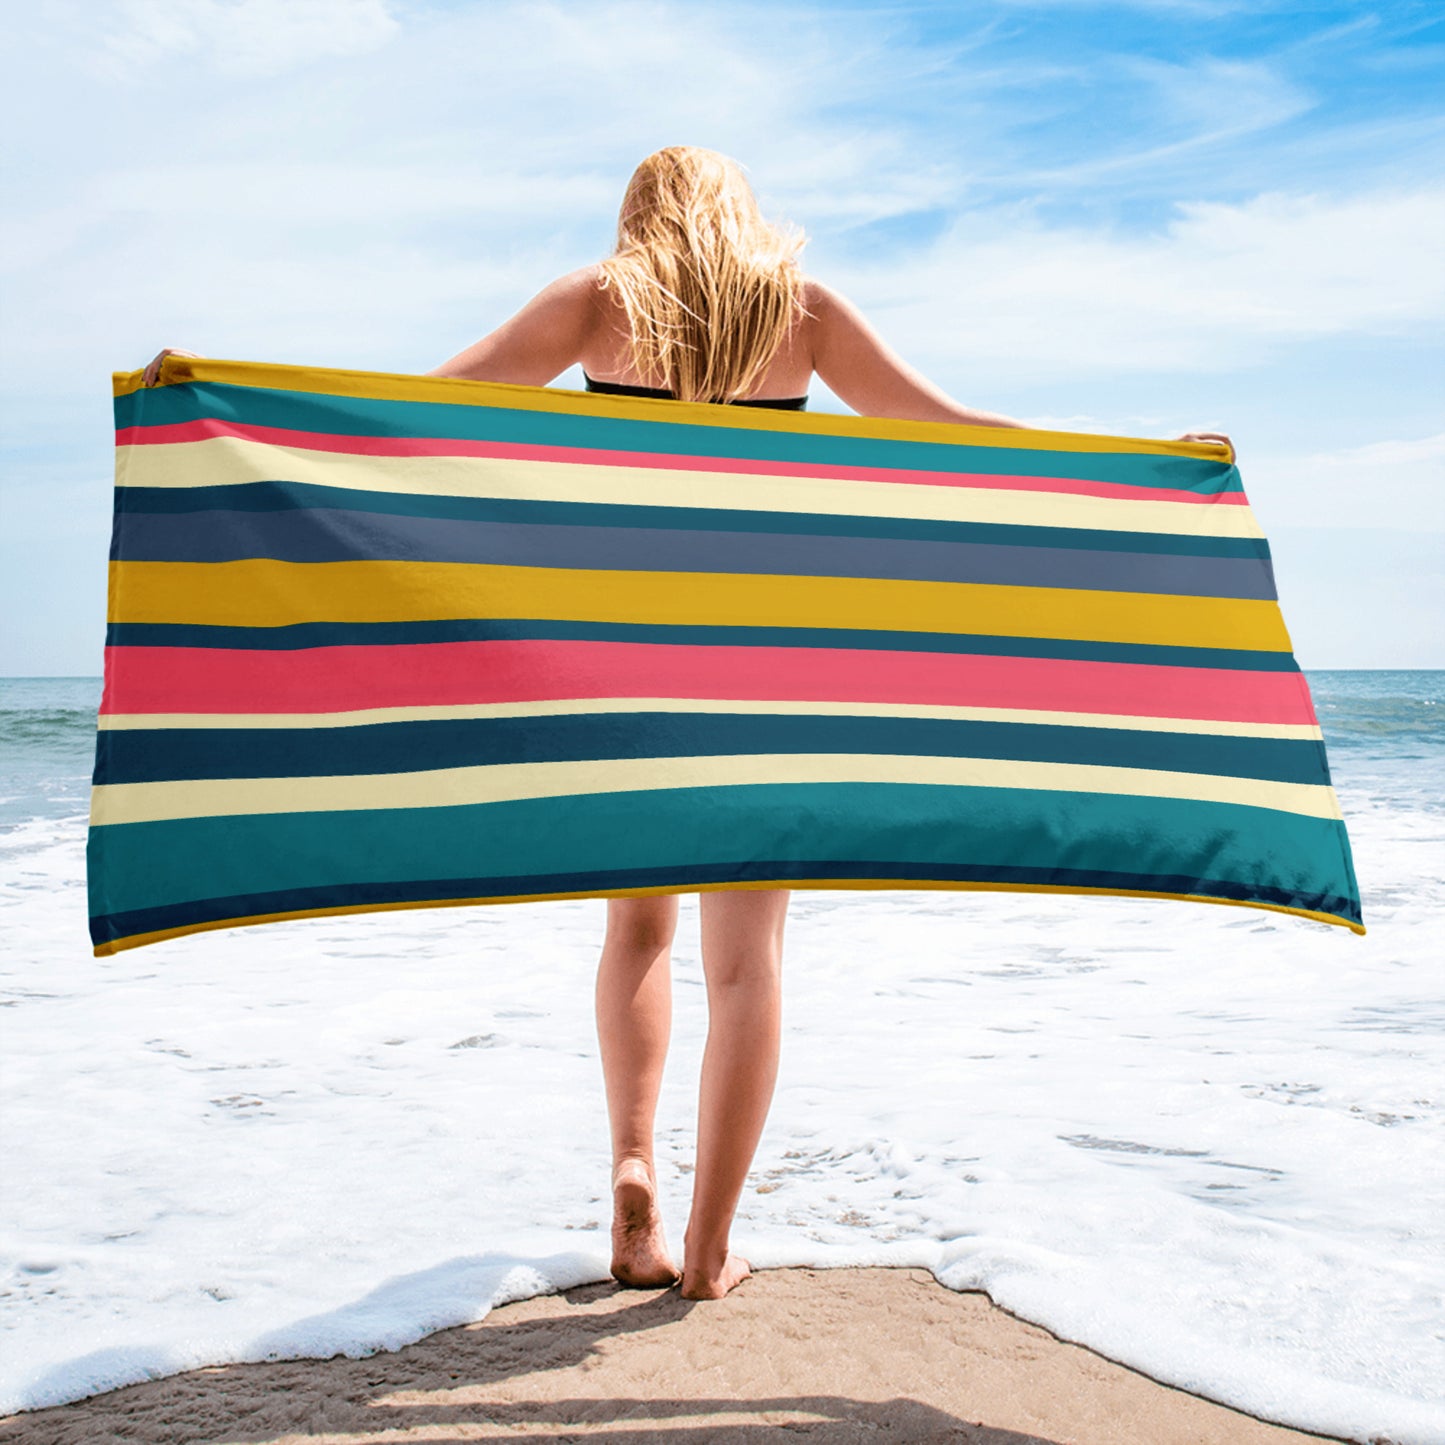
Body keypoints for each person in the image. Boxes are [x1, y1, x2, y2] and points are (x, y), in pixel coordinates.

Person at [142, 145, 1232, 1302]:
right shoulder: (800, 310)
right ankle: (708, 1251)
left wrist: (220, 404)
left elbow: (416, 410)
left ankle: (629, 1169)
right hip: (763, 666)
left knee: (637, 934)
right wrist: (1143, 468)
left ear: (638, 215)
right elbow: (952, 432)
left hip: (614, 665)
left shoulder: (595, 301)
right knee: (748, 965)